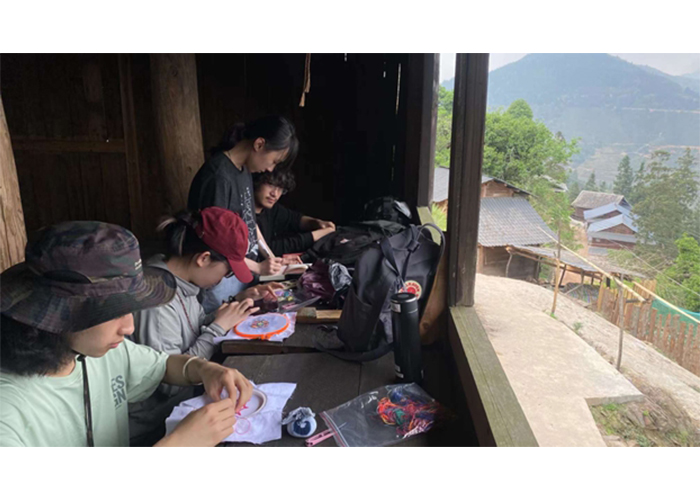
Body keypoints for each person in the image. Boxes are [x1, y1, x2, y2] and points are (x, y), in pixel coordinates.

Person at [0, 221, 253, 447]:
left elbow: (162, 366)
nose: (129, 327)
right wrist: (176, 447)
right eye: (114, 312)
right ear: (60, 312)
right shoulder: (9, 410)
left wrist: (204, 369)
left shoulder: (99, 351)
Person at [129, 207, 281, 445]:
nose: (223, 279)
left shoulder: (183, 283)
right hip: (158, 427)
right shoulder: (156, 298)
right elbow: (166, 382)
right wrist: (217, 328)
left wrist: (235, 302)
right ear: (204, 258)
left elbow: (193, 327)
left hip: (183, 408)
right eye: (227, 272)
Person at [188, 115, 299, 312]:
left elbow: (249, 221)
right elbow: (214, 244)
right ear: (259, 144)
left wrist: (270, 258)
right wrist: (258, 268)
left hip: (241, 273)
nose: (270, 168)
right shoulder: (218, 177)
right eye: (274, 161)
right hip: (219, 277)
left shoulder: (244, 170)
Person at [254, 169, 336, 256]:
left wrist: (317, 222)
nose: (275, 194)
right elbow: (268, 249)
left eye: (281, 188)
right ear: (257, 182)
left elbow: (294, 219)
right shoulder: (247, 215)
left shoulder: (271, 209)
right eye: (270, 184)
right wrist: (315, 235)